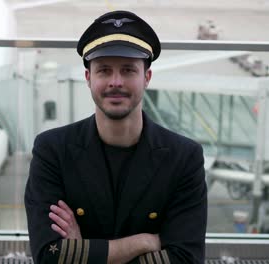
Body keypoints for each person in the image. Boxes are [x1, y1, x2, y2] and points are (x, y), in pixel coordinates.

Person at [24, 10, 207, 264]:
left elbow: (187, 259)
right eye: (104, 70)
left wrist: (83, 252)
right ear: (88, 78)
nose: (116, 82)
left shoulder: (184, 158)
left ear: (147, 78)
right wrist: (144, 242)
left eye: (129, 70)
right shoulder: (52, 150)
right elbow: (47, 256)